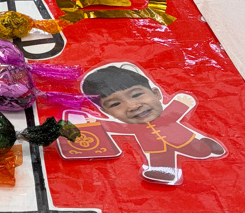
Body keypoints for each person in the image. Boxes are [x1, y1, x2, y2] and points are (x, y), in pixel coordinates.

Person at [82, 63, 225, 184]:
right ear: (107, 112)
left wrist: (181, 102)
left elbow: (176, 111)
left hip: (182, 139)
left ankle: (207, 145)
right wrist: (96, 121)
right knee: (160, 161)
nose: (133, 106)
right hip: (154, 149)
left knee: (199, 151)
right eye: (115, 104)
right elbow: (115, 127)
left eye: (137, 95)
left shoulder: (167, 116)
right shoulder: (131, 127)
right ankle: (165, 173)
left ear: (156, 94)